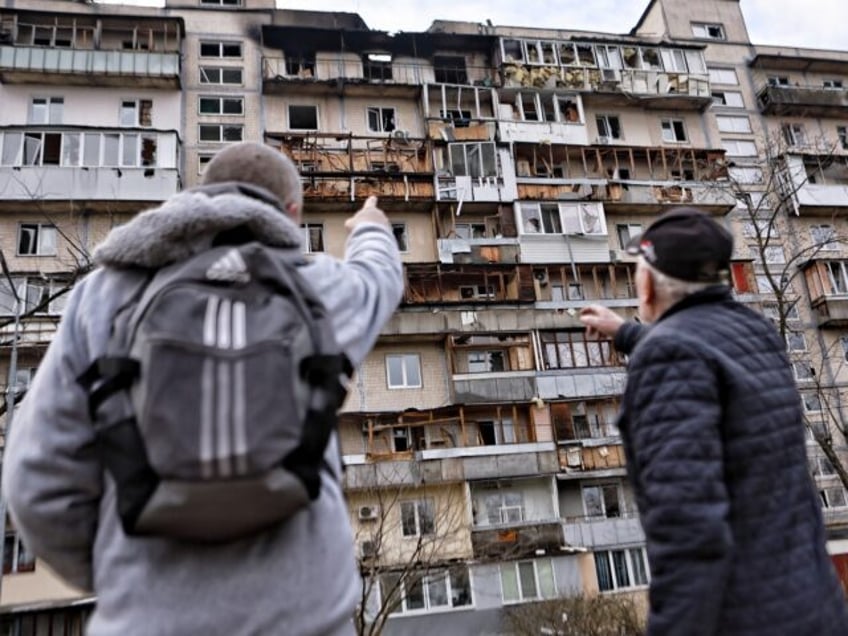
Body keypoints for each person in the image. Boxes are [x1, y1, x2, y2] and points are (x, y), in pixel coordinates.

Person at [2, 142, 404, 635]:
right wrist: (371, 228)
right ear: (292, 213)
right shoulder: (316, 289)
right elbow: (380, 278)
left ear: (202, 200)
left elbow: (36, 483)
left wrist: (127, 575)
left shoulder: (103, 295)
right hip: (304, 621)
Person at [579, 207, 848, 636]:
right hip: (816, 608)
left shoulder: (668, 357)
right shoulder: (754, 332)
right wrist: (626, 332)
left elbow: (690, 538)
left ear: (647, 284)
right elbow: (706, 356)